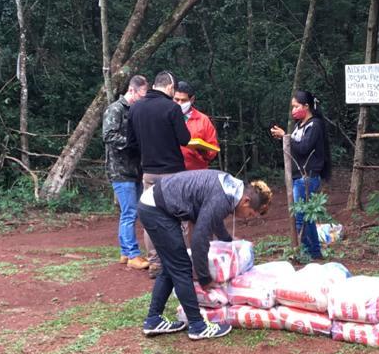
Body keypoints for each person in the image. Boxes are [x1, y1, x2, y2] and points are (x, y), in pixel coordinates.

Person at [137, 170, 272, 340]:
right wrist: (204, 277)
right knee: (181, 266)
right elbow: (199, 239)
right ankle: (197, 325)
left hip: (156, 205)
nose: (247, 218)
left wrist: (228, 241)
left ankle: (153, 320)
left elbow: (213, 218)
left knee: (171, 265)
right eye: (251, 214)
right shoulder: (224, 196)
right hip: (156, 209)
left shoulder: (231, 189)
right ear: (246, 201)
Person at [127, 69, 191, 277]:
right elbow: (185, 139)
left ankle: (155, 263)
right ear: (170, 87)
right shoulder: (172, 108)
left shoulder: (135, 108)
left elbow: (130, 143)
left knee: (151, 219)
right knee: (180, 218)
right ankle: (181, 261)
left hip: (149, 173)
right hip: (173, 174)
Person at [270, 89, 332, 259]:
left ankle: (309, 253)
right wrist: (284, 138)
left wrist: (286, 136)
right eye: (293, 107)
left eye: (296, 106)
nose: (294, 110)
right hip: (299, 176)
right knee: (304, 217)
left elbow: (304, 148)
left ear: (306, 106)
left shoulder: (315, 125)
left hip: (307, 176)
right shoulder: (299, 125)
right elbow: (296, 147)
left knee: (302, 217)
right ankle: (312, 252)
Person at [102, 73, 149, 269]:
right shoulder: (115, 109)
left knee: (131, 212)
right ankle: (132, 254)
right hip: (120, 170)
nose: (144, 99)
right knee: (129, 213)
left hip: (135, 169)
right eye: (142, 95)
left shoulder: (136, 110)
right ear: (132, 90)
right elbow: (108, 135)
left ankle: (125, 251)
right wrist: (132, 142)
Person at [173, 81, 221, 170]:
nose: (179, 103)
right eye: (176, 99)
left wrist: (203, 151)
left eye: (183, 100)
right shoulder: (165, 116)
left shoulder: (203, 120)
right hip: (170, 171)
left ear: (192, 99)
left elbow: (213, 150)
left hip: (196, 172)